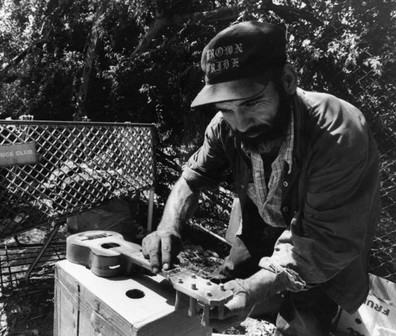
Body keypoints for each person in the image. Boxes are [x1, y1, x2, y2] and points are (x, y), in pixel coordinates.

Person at [141, 21, 380, 336]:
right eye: (225, 108)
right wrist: (168, 226)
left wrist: (252, 290)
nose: (240, 123)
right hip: (260, 233)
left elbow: (323, 242)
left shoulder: (337, 132)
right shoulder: (224, 126)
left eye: (251, 103)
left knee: (303, 326)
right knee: (216, 301)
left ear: (287, 80)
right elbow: (192, 178)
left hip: (322, 246)